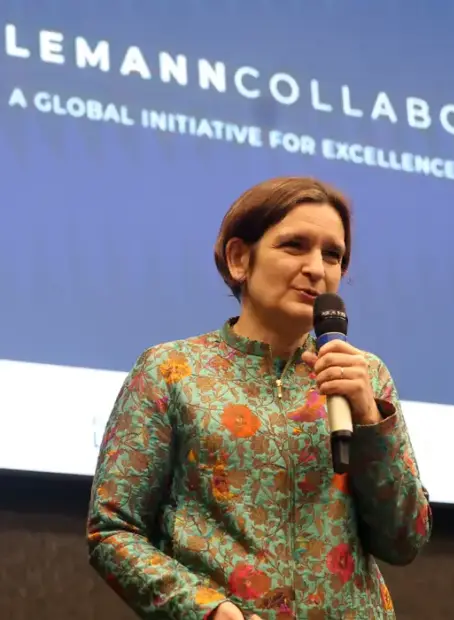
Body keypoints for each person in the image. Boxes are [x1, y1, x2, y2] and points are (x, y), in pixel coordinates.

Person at [87, 176, 432, 619]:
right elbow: (112, 529)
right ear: (239, 259)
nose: (317, 268)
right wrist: (204, 609)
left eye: (333, 255)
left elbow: (405, 540)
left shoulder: (365, 376)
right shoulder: (172, 371)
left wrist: (368, 418)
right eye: (295, 246)